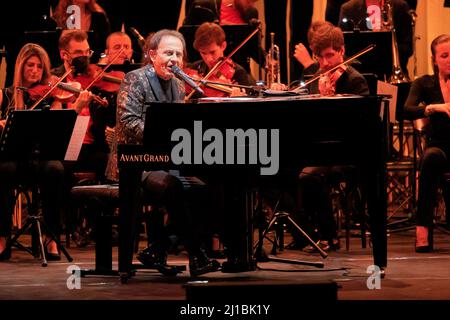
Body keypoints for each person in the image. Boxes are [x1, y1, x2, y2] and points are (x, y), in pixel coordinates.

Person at [105, 29, 220, 277]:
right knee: (172, 186)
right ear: (152, 54)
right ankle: (196, 255)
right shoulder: (135, 79)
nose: (174, 59)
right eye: (169, 52)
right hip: (134, 163)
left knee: (207, 188)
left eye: (178, 54)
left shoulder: (179, 85)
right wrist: (164, 137)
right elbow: (128, 122)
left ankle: (159, 247)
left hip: (166, 159)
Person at [292, 23, 369, 252]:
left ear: (342, 51)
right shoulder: (317, 77)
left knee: (309, 177)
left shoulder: (355, 81)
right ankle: (305, 232)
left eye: (330, 56)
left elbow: (358, 128)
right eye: (320, 57)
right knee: (278, 170)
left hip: (347, 151)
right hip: (319, 148)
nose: (325, 63)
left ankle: (329, 235)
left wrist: (331, 101)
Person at [0, 43, 66, 261]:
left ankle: (51, 237)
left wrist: (58, 103)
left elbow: (57, 135)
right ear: (20, 67)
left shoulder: (50, 96)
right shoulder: (6, 96)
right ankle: (2, 236)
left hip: (42, 159)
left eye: (39, 66)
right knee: (4, 169)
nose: (35, 70)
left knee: (55, 168)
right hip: (14, 159)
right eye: (30, 65)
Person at [403, 34, 450, 253]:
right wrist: (433, 107)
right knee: (430, 158)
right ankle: (423, 229)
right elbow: (406, 110)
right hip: (440, 145)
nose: (449, 59)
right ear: (434, 59)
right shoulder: (424, 82)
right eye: (445, 55)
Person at [52, 29, 116, 182]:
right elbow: (54, 125)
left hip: (92, 146)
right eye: (79, 52)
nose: (85, 57)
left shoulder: (95, 78)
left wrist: (108, 105)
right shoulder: (54, 79)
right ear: (64, 55)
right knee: (58, 170)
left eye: (87, 51)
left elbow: (110, 121)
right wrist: (77, 107)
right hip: (64, 148)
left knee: (110, 163)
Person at [338, 0, 413, 76]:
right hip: (361, 75)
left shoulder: (400, 7)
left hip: (393, 73)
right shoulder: (348, 9)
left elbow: (408, 48)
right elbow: (343, 50)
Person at [187, 22, 256, 97]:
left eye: (212, 52)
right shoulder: (194, 69)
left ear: (223, 46)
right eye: (203, 53)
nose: (208, 59)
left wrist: (235, 99)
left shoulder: (238, 73)